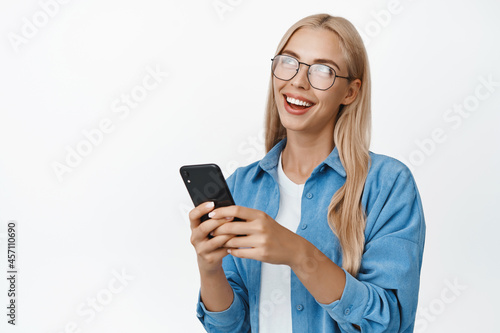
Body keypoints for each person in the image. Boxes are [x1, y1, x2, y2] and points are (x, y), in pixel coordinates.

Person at [189, 13, 426, 332]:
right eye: (289, 62)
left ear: (350, 92)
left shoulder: (388, 184)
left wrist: (299, 253)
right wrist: (210, 267)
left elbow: (390, 324)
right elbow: (231, 328)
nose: (298, 81)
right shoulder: (243, 186)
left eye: (323, 71)